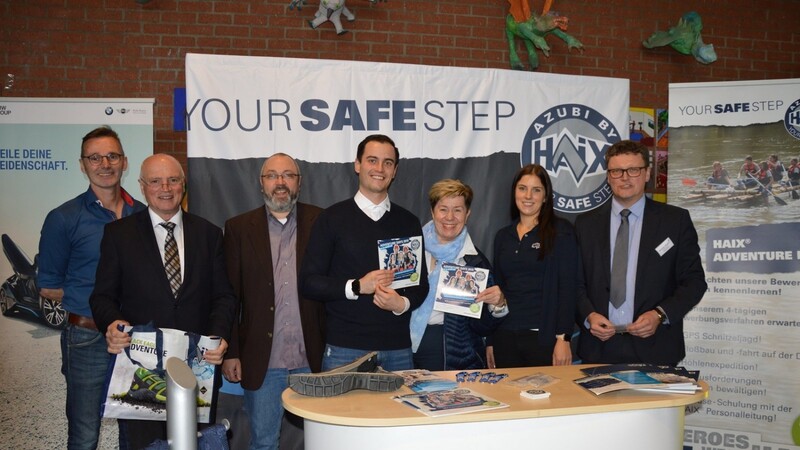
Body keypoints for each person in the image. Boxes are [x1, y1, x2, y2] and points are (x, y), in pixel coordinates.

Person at [90, 154, 237, 449]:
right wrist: (112, 324)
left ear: (183, 185)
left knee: (197, 445)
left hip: (198, 369)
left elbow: (223, 296)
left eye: (172, 180)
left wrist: (218, 335)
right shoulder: (119, 235)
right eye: (155, 181)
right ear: (143, 187)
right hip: (140, 370)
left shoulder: (209, 234)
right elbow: (102, 296)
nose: (165, 188)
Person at [38, 126, 146, 450]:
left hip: (136, 339)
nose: (105, 163)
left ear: (125, 162)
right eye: (95, 157)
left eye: (112, 156)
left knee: (137, 432)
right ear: (82, 164)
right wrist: (100, 307)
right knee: (85, 436)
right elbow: (49, 287)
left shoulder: (142, 214)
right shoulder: (63, 218)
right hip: (86, 339)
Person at [221, 153, 325, 450]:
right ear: (261, 183)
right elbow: (230, 296)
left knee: (325, 442)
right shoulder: (239, 228)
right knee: (264, 443)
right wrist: (232, 352)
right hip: (263, 361)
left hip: (314, 359)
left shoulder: (322, 221)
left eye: (288, 175)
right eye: (272, 176)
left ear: (299, 183)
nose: (280, 182)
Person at [299, 134, 428, 371]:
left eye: (387, 163)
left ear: (395, 171)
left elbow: (420, 286)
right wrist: (357, 286)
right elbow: (309, 283)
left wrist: (401, 303)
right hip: (345, 350)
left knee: (399, 410)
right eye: (372, 160)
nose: (380, 168)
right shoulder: (331, 219)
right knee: (342, 411)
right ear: (357, 165)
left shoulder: (408, 222)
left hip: (398, 350)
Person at [575, 140, 707, 366]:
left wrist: (659, 314)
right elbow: (574, 283)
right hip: (598, 350)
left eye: (633, 170)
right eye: (616, 171)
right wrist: (589, 316)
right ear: (608, 177)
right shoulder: (585, 224)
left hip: (657, 349)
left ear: (647, 174)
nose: (625, 177)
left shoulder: (675, 221)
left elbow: (694, 282)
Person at [409, 179, 508, 371]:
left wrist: (498, 305)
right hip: (401, 350)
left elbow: (481, 327)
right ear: (432, 211)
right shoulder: (411, 250)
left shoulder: (474, 262)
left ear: (467, 214)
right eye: (443, 209)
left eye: (458, 210)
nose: (450, 217)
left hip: (448, 354)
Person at [489, 164, 579, 368]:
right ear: (514, 192)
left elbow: (567, 288)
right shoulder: (503, 236)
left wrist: (563, 338)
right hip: (505, 336)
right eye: (522, 188)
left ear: (546, 196)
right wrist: (491, 340)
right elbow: (498, 290)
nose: (528, 195)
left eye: (536, 190)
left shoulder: (561, 232)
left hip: (544, 339)